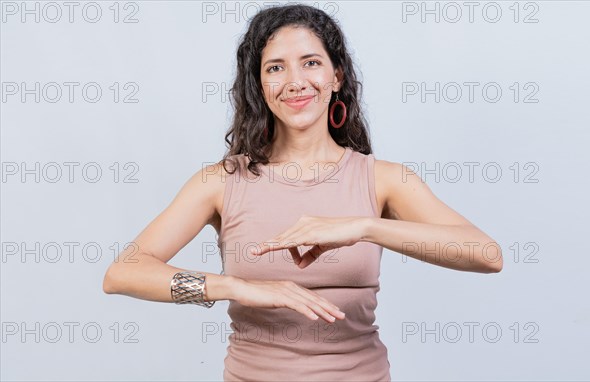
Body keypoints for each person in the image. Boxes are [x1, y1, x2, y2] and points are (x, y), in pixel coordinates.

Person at [103, 4, 503, 381]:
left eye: (311, 63)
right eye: (275, 68)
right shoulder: (221, 182)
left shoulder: (383, 179)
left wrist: (363, 227)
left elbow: (487, 255)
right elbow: (123, 273)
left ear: (336, 76)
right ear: (259, 85)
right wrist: (233, 286)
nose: (295, 82)